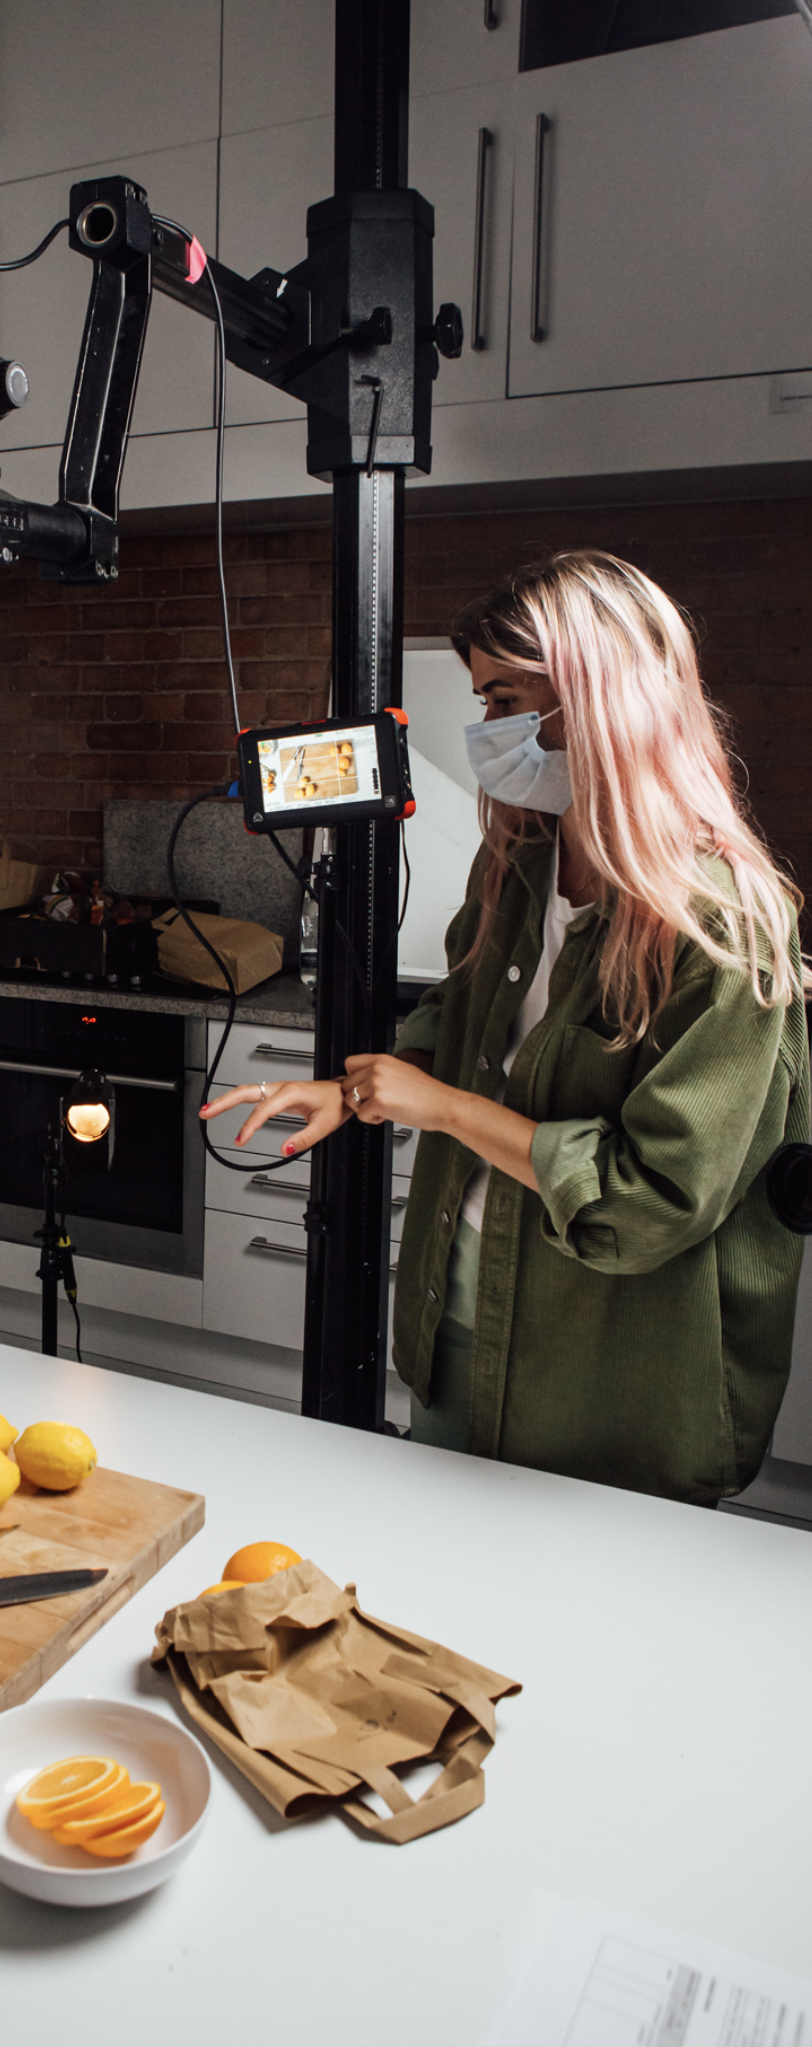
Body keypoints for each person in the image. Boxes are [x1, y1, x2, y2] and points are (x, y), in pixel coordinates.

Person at [204, 551, 808, 1504]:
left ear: (602, 699)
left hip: (612, 1375)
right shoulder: (521, 864)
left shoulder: (723, 928)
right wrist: (357, 1086)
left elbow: (648, 1203)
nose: (487, 730)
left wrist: (440, 1108)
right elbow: (461, 1012)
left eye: (504, 701)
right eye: (486, 701)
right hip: (459, 1312)